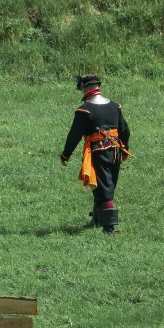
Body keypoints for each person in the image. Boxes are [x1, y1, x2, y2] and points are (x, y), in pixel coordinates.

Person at [60, 75, 131, 234]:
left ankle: (109, 228)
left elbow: (74, 135)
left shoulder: (84, 110)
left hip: (99, 153)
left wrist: (65, 155)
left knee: (104, 189)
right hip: (115, 151)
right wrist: (124, 149)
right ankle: (98, 219)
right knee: (105, 185)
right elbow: (125, 130)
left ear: (85, 89)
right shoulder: (115, 106)